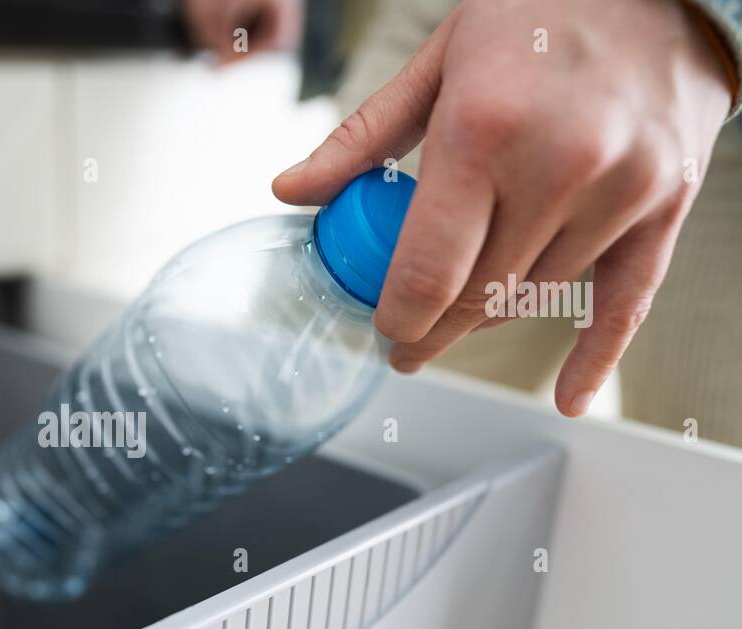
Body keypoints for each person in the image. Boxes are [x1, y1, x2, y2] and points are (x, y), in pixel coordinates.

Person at [184, 0, 742, 442]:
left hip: (700, 75)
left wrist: (700, 17)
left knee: (702, 479)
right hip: (475, 24)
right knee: (323, 420)